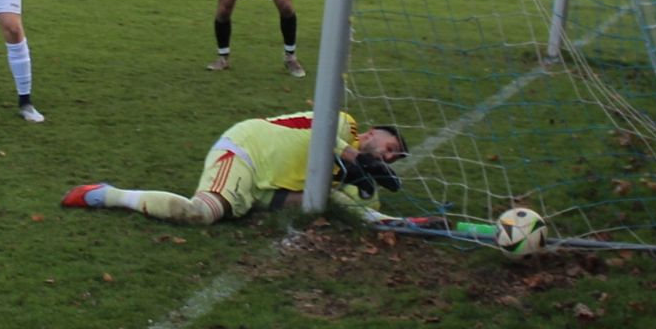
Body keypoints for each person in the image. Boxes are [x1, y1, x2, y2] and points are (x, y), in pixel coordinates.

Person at [61, 110, 407, 224]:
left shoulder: (336, 176)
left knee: (321, 201)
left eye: (393, 159)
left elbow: (335, 202)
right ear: (372, 134)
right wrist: (360, 162)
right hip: (246, 150)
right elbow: (325, 138)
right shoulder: (344, 122)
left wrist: (397, 222)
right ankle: (106, 195)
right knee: (200, 213)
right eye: (390, 148)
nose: (388, 157)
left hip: (262, 187)